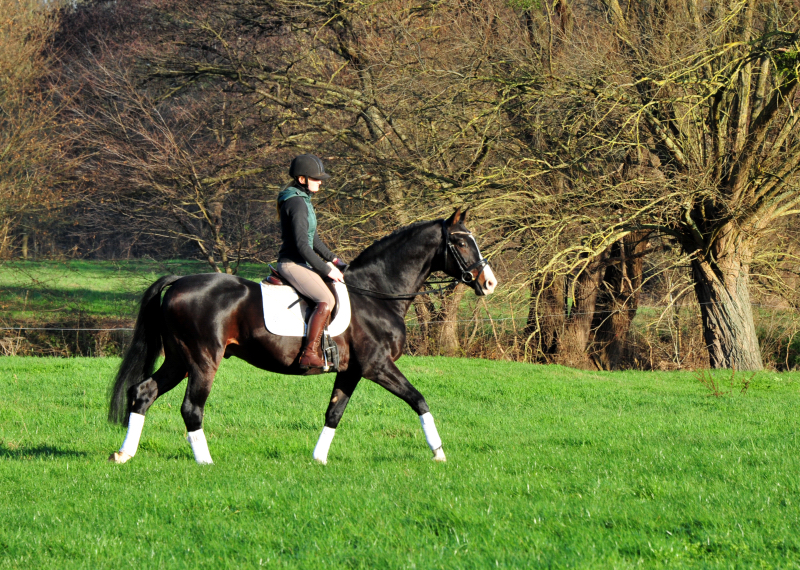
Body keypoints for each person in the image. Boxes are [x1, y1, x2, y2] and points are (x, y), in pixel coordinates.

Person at [276, 154, 347, 369]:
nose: (320, 182)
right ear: (301, 179)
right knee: (327, 299)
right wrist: (327, 269)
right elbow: (302, 246)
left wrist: (334, 259)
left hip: (301, 263)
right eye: (316, 178)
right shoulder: (296, 203)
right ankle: (309, 354)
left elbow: (313, 238)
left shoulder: (303, 200)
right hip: (292, 264)